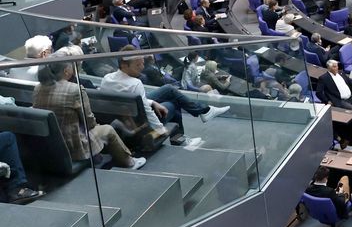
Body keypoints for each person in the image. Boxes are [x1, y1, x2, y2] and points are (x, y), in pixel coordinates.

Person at [33, 58, 145, 170]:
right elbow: (89, 122)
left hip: (52, 145)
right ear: (66, 71)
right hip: (74, 145)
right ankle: (129, 162)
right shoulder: (75, 89)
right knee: (108, 130)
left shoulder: (38, 88)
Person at [99, 48, 229, 136]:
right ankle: (180, 135)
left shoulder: (107, 79)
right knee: (174, 103)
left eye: (142, 63)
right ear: (124, 65)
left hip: (127, 113)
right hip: (139, 121)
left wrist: (152, 102)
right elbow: (147, 112)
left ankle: (204, 112)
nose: (142, 67)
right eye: (138, 65)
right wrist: (160, 130)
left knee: (169, 90)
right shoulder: (135, 83)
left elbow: (130, 99)